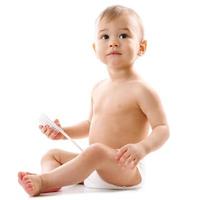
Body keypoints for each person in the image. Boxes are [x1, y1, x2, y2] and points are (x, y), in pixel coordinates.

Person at [18, 5, 169, 196]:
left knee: (95, 151)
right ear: (95, 47)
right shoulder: (98, 88)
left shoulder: (142, 89)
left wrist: (142, 148)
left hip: (124, 169)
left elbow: (162, 128)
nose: (113, 42)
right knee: (51, 155)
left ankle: (44, 181)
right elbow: (90, 125)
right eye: (105, 37)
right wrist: (64, 132)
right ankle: (55, 179)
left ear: (141, 47)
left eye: (123, 36)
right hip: (93, 166)